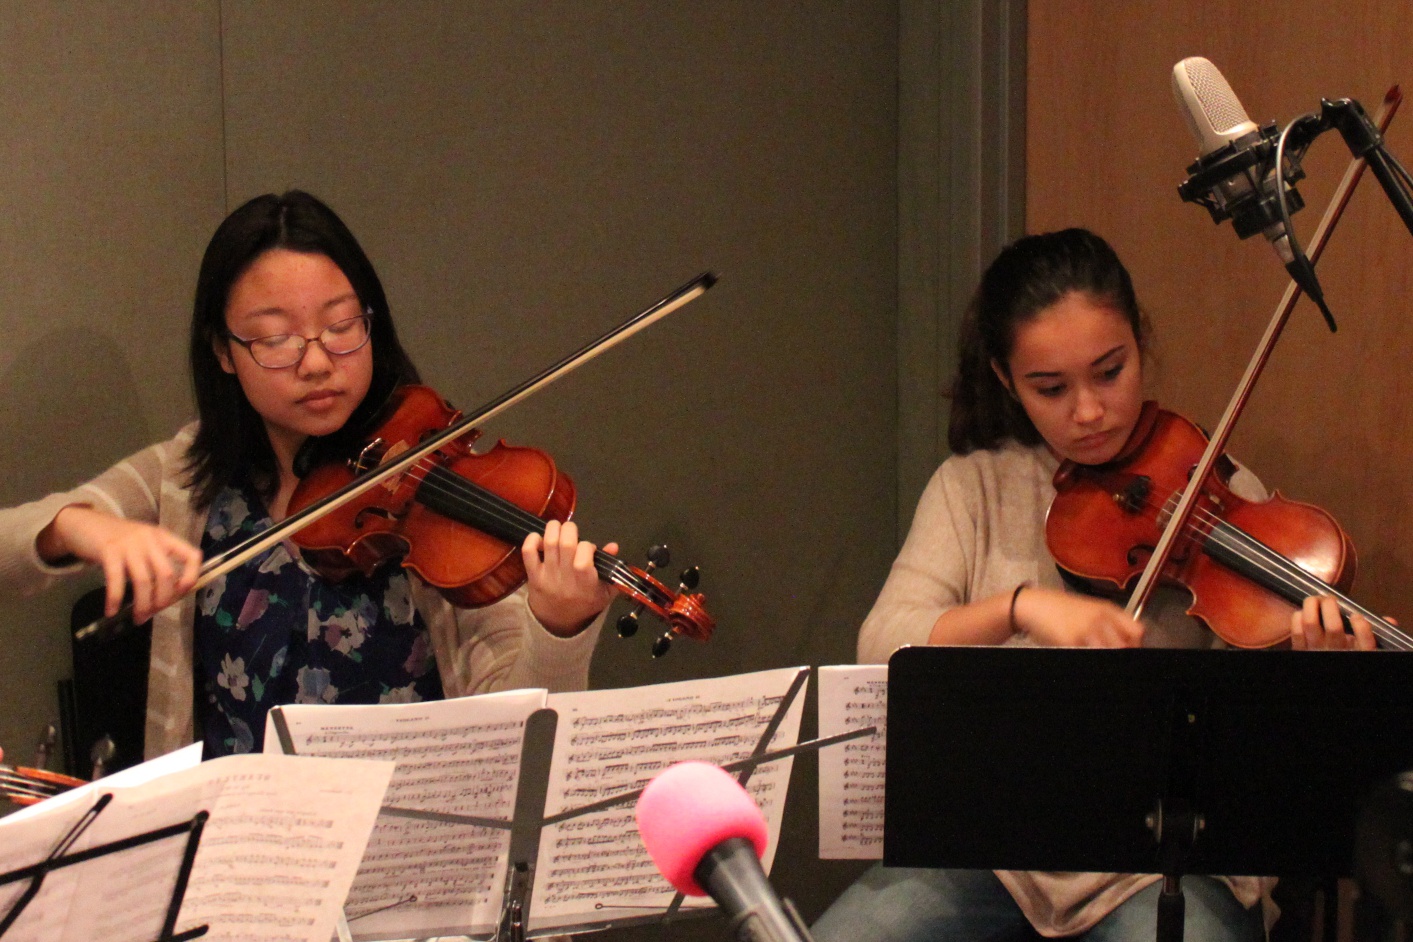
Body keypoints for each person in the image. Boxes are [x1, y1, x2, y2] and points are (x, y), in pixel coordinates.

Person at [812, 228, 1376, 942]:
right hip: (996, 856)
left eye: (1109, 372)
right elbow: (880, 647)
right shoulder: (973, 488)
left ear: (1139, 345)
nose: (1086, 411)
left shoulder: (1217, 492)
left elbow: (1264, 741)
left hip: (1163, 863)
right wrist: (1020, 607)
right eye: (1049, 388)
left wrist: (1319, 680)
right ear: (1005, 378)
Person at [0, 190, 616, 761]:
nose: (318, 362)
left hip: (411, 857)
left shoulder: (434, 477)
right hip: (237, 857)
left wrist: (557, 628)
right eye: (275, 338)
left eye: (343, 327)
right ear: (223, 350)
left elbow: (516, 736)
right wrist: (82, 529)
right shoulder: (185, 481)